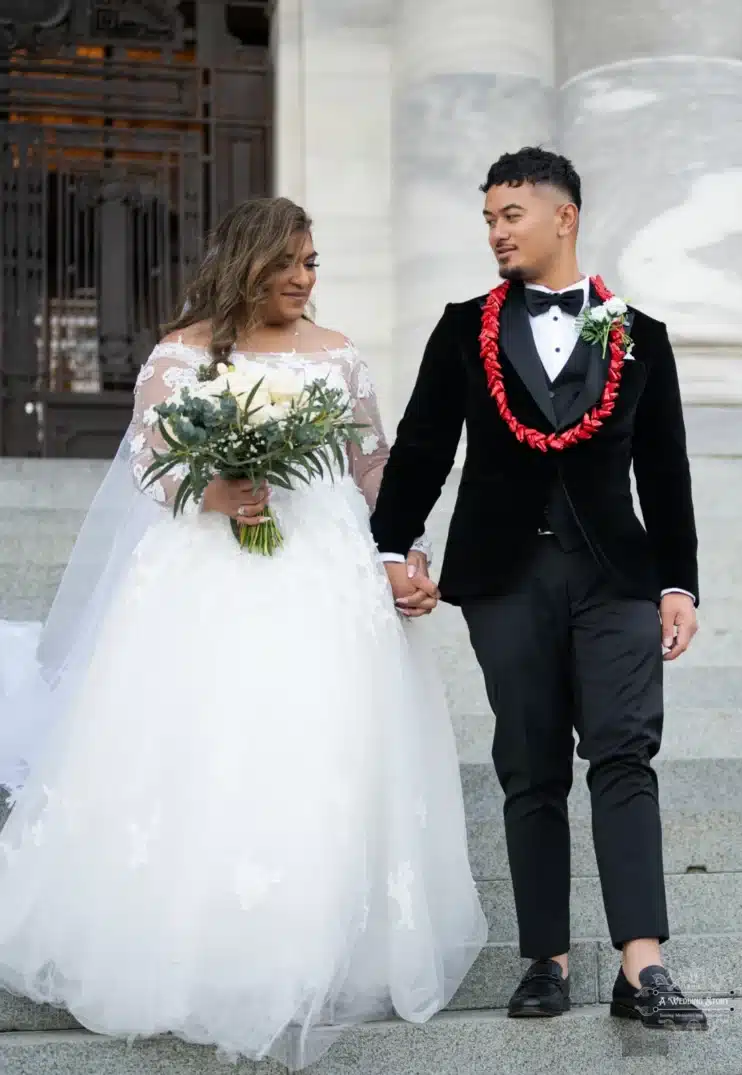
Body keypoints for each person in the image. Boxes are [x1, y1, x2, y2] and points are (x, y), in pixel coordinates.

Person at [0, 197, 487, 1069]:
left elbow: (374, 468)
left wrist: (403, 557)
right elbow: (152, 461)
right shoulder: (179, 353)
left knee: (316, 744)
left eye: (313, 264)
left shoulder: (336, 355)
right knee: (203, 739)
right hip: (202, 577)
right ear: (248, 261)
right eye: (290, 263)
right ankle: (191, 938)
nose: (305, 279)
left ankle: (305, 935)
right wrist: (215, 491)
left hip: (323, 572)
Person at [370, 148, 708, 1029]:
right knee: (529, 765)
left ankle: (644, 967)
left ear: (565, 217)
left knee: (625, 753)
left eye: (510, 213)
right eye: (487, 217)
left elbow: (665, 471)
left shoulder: (640, 334)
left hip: (617, 578)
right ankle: (545, 961)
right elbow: (421, 447)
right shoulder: (462, 327)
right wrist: (390, 548)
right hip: (503, 575)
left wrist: (680, 581)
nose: (495, 231)